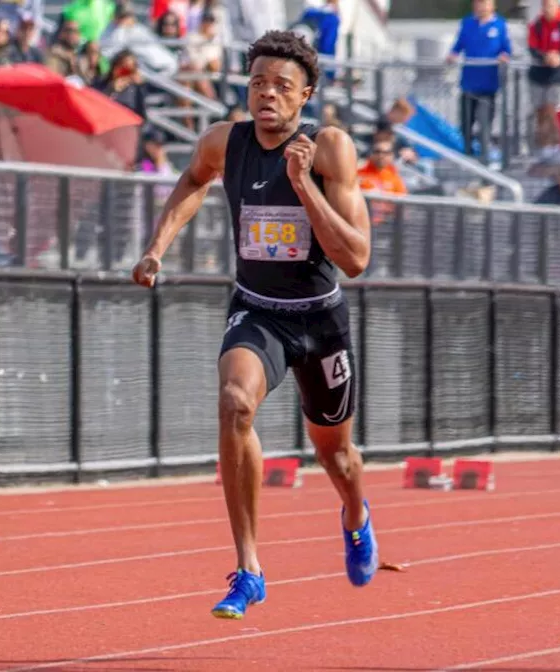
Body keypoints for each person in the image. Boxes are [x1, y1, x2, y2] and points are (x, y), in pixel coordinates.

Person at [132, 30, 378, 620]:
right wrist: (157, 248)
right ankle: (249, 569)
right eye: (258, 83)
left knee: (335, 456)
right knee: (235, 402)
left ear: (306, 96)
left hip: (319, 319)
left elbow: (356, 258)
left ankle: (355, 515)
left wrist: (302, 187)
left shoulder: (332, 149)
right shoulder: (225, 142)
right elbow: (192, 180)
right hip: (257, 308)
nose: (267, 94)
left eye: (282, 87)